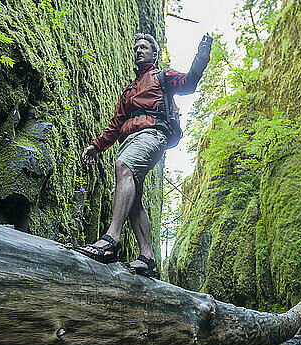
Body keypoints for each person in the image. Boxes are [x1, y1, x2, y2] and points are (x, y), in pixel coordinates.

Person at [76, 32, 212, 278]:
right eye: (136, 48)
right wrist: (96, 146)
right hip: (128, 139)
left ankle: (111, 240)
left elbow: (190, 83)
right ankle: (148, 258)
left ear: (154, 54)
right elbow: (116, 124)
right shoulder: (128, 89)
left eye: (144, 47)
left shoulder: (162, 76)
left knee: (123, 167)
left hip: (152, 135)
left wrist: (201, 58)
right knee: (134, 198)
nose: (138, 51)